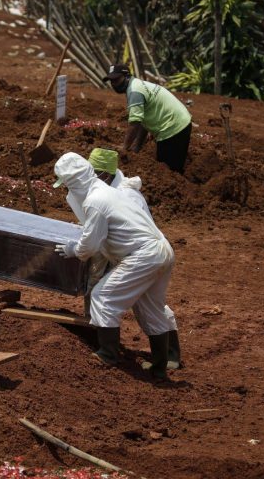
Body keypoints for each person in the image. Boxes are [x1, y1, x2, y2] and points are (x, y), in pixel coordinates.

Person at [53, 152, 178, 379]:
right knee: (150, 307)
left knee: (103, 296)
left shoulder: (95, 201)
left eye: (67, 186)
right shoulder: (109, 192)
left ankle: (107, 354)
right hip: (161, 250)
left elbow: (89, 246)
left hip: (143, 255)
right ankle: (161, 366)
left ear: (73, 182)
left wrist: (73, 249)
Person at [86, 148, 182, 369]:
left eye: (93, 173)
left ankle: (167, 355)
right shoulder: (112, 190)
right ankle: (166, 359)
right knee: (148, 302)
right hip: (143, 252)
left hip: (143, 253)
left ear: (104, 174)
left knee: (132, 299)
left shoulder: (126, 194)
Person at [103, 64, 192, 174]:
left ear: (126, 76)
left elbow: (135, 123)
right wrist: (137, 147)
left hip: (173, 129)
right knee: (171, 169)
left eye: (116, 80)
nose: (114, 84)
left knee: (168, 173)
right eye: (111, 81)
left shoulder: (135, 91)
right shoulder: (136, 85)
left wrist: (124, 148)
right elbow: (142, 122)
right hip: (179, 123)